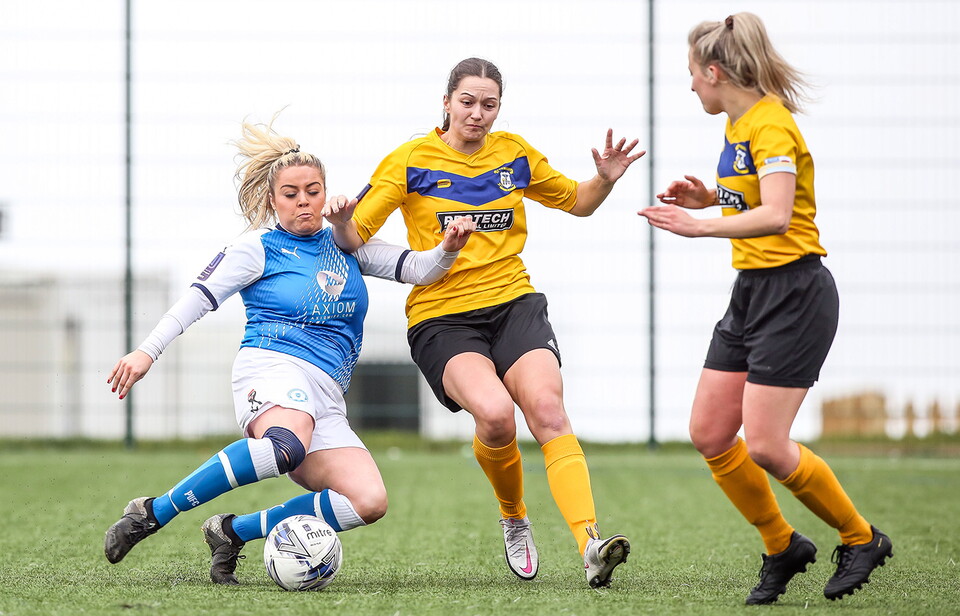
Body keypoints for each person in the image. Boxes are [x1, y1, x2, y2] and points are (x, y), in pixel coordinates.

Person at [103, 117, 476, 585]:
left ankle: (232, 532)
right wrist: (146, 352)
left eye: (313, 190)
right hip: (272, 366)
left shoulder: (347, 242)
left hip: (326, 394)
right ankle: (153, 512)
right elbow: (197, 298)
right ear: (272, 200)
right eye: (292, 193)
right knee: (285, 444)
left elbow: (421, 270)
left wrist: (448, 246)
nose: (304, 201)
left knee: (368, 501)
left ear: (326, 192)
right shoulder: (257, 248)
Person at [333, 57, 644, 588]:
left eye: (489, 104)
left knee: (547, 409)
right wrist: (341, 220)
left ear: (500, 107)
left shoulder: (514, 154)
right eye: (468, 102)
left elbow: (579, 202)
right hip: (442, 317)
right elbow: (352, 239)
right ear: (447, 102)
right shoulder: (410, 161)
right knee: (498, 417)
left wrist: (604, 179)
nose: (478, 114)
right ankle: (514, 516)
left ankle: (590, 543)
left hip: (514, 303)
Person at [639, 12, 893, 605]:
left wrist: (700, 224)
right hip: (752, 291)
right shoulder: (738, 124)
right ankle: (783, 546)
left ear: (715, 70)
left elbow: (779, 215)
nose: (691, 87)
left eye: (692, 75)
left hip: (796, 294)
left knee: (767, 445)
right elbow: (757, 202)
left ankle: (861, 538)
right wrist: (715, 198)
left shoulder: (771, 125)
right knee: (708, 432)